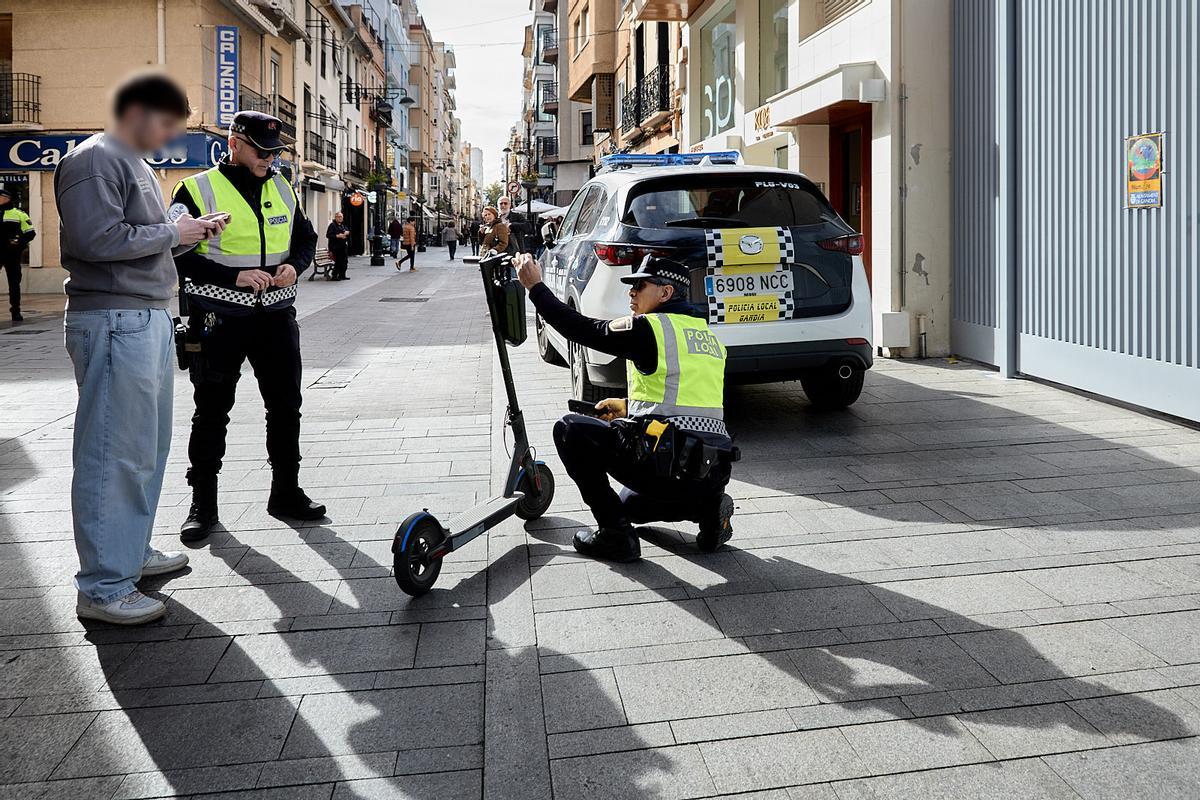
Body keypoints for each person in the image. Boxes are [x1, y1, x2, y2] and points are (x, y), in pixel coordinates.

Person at [56, 72, 219, 624]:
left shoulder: (136, 165)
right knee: (113, 453)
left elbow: (133, 238)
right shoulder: (95, 159)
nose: (170, 135)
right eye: (168, 123)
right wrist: (176, 234)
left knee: (145, 448)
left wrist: (182, 228)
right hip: (112, 319)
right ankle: (103, 586)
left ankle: (129, 555)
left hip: (142, 317)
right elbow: (95, 241)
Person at [515, 252, 736, 563]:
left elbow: (580, 328)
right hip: (710, 471)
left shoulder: (649, 328)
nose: (631, 293)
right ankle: (709, 510)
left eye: (639, 286)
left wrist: (535, 287)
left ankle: (616, 536)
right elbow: (690, 399)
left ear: (665, 292)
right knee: (628, 506)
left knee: (570, 429)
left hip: (664, 466)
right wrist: (628, 406)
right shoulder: (709, 337)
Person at [170, 110, 324, 543]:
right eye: (262, 150)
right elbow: (176, 251)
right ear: (234, 142)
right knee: (213, 412)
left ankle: (286, 492)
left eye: (275, 151)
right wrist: (231, 276)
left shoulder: (282, 185)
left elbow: (305, 240)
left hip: (276, 316)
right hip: (219, 319)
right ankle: (203, 504)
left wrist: (295, 266)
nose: (270, 159)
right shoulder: (196, 189)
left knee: (285, 406)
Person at [0, 186, 35, 321]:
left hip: (12, 254)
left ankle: (15, 310)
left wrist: (19, 244)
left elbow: (30, 233)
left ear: (6, 198)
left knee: (14, 283)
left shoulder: (19, 214)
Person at [326, 211, 350, 280]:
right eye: (339, 217)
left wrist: (347, 232)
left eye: (341, 217)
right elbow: (328, 235)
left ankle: (342, 275)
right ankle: (334, 275)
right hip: (335, 247)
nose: (340, 218)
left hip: (343, 247)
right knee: (338, 262)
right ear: (335, 217)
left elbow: (347, 231)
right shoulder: (332, 225)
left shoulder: (342, 225)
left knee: (344, 261)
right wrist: (338, 236)